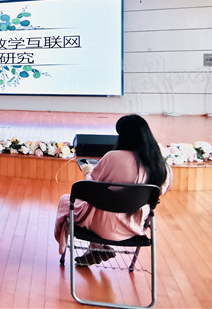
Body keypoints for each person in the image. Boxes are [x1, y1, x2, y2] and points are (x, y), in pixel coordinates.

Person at [54, 114, 173, 266]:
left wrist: (88, 171)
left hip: (102, 226)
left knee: (68, 201)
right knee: (108, 202)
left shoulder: (113, 157)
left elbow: (92, 186)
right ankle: (96, 248)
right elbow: (158, 194)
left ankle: (97, 246)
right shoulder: (162, 166)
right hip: (135, 227)